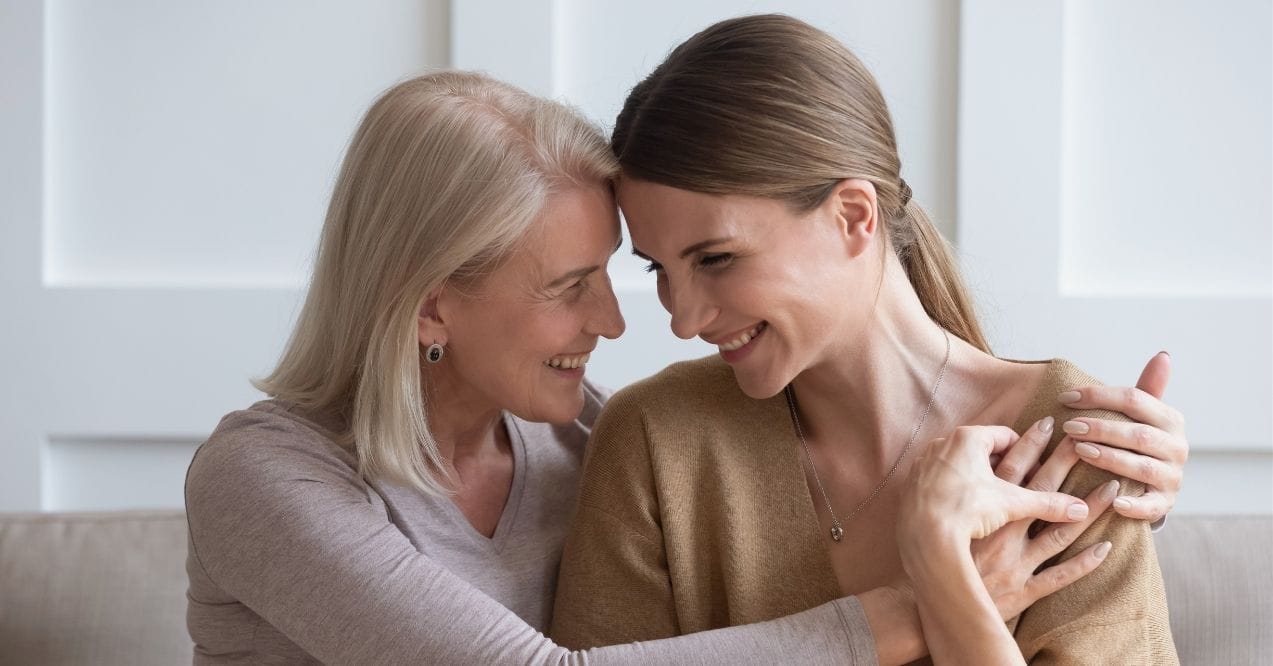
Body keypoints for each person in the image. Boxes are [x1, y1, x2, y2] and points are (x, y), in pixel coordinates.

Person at [549, 14, 1182, 664]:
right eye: (658, 268)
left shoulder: (1067, 444)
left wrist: (940, 567)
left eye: (714, 258)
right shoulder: (656, 444)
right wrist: (929, 598)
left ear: (852, 216)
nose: (681, 320)